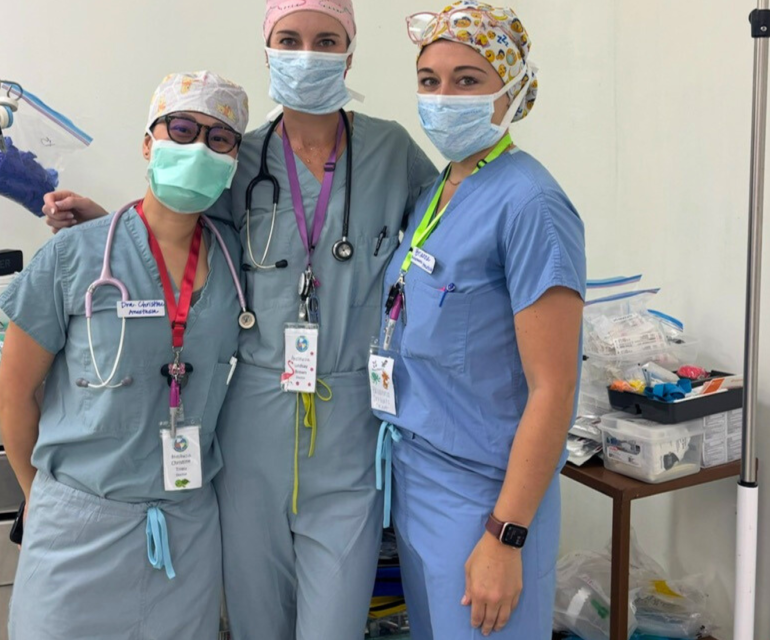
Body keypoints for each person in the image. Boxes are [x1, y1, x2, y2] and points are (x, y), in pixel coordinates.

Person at [42, 4, 438, 639]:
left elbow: (441, 235)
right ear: (268, 50)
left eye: (326, 40)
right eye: (290, 39)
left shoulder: (392, 151)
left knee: (335, 623)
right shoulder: (238, 156)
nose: (307, 54)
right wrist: (104, 224)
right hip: (252, 415)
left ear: (349, 55)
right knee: (256, 622)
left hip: (348, 420)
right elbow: (177, 225)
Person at [0, 71, 249, 640]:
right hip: (77, 529)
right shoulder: (75, 255)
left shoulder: (239, 259)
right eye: (180, 129)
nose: (198, 149)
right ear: (147, 143)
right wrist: (38, 496)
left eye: (219, 138)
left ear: (234, 159)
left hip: (186, 530)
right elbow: (13, 392)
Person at [373, 3, 587, 639]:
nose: (444, 96)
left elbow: (554, 389)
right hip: (417, 478)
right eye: (430, 80)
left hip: (486, 499)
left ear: (512, 89)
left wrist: (505, 535)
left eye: (467, 80)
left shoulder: (532, 204)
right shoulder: (438, 191)